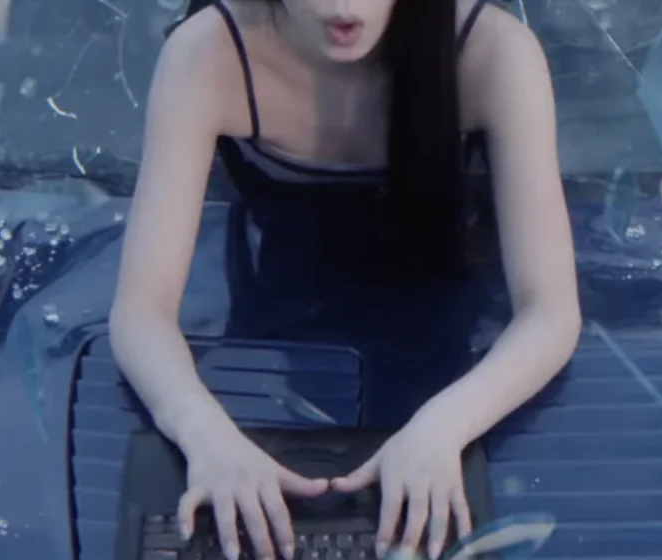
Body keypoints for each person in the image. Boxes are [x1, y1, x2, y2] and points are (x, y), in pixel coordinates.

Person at [108, 0, 582, 559]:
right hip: (272, 323)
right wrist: (205, 434)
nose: (343, 6)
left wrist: (444, 427)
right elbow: (141, 309)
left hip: (457, 323)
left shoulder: (493, 52)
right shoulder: (208, 52)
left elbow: (551, 311)